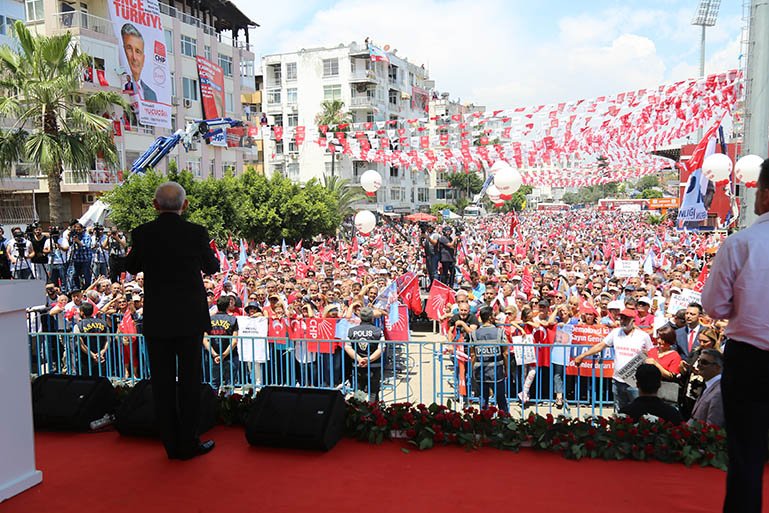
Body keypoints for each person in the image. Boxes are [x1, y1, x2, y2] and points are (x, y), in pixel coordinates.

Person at [125, 181, 219, 461]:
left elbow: (131, 267)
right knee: (190, 382)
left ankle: (170, 445)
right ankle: (189, 443)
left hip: (158, 318)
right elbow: (212, 267)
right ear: (185, 205)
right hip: (189, 318)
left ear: (155, 205)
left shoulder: (142, 233)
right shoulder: (196, 233)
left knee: (163, 384)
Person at [701, 158, 769, 513]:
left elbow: (714, 306)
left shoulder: (742, 244)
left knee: (747, 457)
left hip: (752, 359)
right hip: (749, 357)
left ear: (765, 197)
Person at [574, 307, 653, 413]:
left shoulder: (643, 336)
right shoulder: (615, 332)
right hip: (617, 380)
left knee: (638, 410)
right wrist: (582, 355)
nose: (622, 321)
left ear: (633, 320)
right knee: (619, 411)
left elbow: (651, 354)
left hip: (635, 381)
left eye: (626, 318)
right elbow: (601, 346)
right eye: (621, 318)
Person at [470, 306, 509, 413]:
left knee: (483, 400)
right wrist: (507, 368)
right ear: (491, 318)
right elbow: (505, 353)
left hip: (480, 371)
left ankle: (484, 422)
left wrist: (472, 369)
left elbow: (473, 355)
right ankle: (505, 423)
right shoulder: (500, 332)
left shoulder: (474, 334)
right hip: (497, 371)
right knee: (501, 400)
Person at [345, 306, 384, 401]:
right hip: (374, 366)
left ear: (360, 317)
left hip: (358, 366)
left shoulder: (352, 331)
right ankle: (374, 413)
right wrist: (369, 359)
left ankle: (359, 413)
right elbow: (381, 348)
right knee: (373, 392)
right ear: (372, 318)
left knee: (359, 393)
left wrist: (359, 359)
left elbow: (347, 347)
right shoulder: (378, 331)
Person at [203, 296, 239, 389]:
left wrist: (215, 355)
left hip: (213, 356)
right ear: (228, 306)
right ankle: (228, 403)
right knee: (229, 385)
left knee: (214, 384)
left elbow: (205, 339)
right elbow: (234, 341)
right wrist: (223, 355)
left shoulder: (209, 319)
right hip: (230, 355)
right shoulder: (233, 319)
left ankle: (213, 403)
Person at [687, 348, 724, 428]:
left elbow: (712, 427)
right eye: (699, 361)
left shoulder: (719, 392)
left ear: (717, 367)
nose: (699, 365)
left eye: (704, 362)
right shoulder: (709, 385)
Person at [121, 23, 157, 102]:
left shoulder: (152, 94)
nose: (134, 57)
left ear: (143, 59)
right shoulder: (120, 85)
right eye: (129, 49)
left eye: (138, 51)